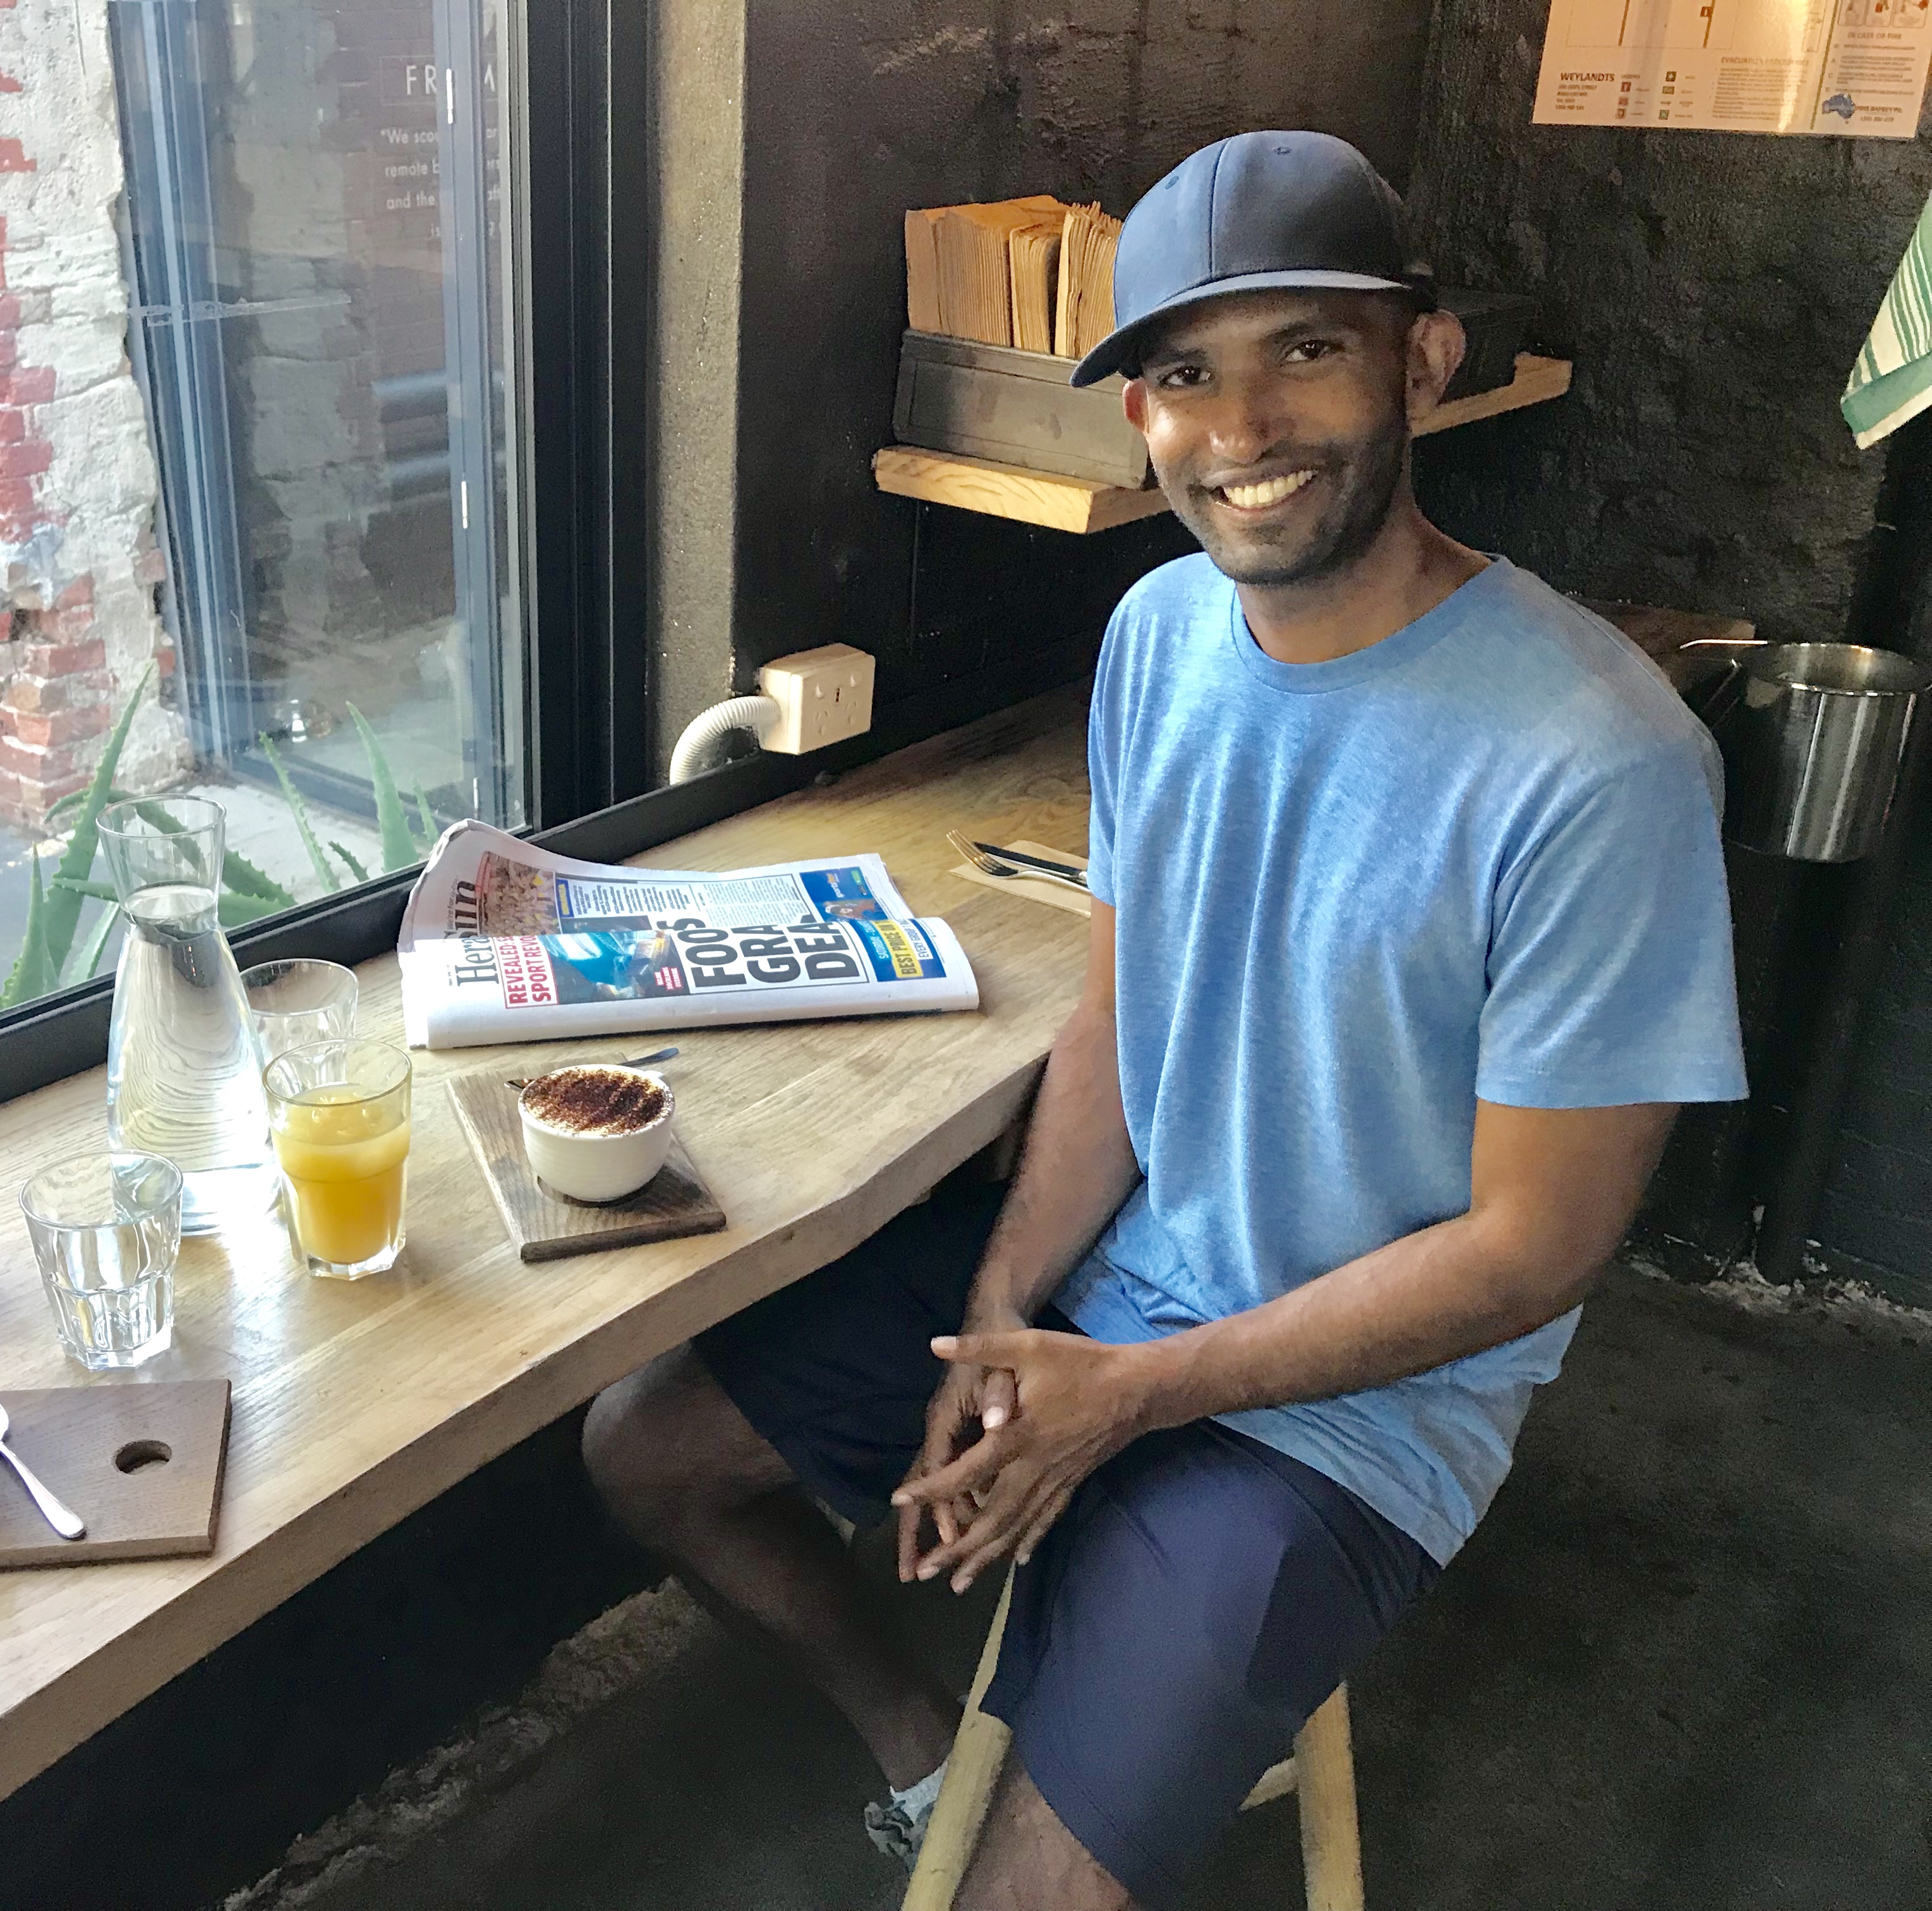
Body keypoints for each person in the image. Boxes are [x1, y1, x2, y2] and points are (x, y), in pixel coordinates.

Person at [583, 128, 1746, 1909]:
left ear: (1426, 364)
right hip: (1123, 1283)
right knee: (650, 1447)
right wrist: (1004, 1307)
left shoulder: (1599, 760)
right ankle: (922, 1756)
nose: (1244, 426)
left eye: (1309, 349)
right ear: (1138, 420)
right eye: (1187, 375)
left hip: (1354, 1417)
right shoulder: (1157, 636)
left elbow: (1537, 1249)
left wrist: (1129, 1397)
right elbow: (1119, 1031)